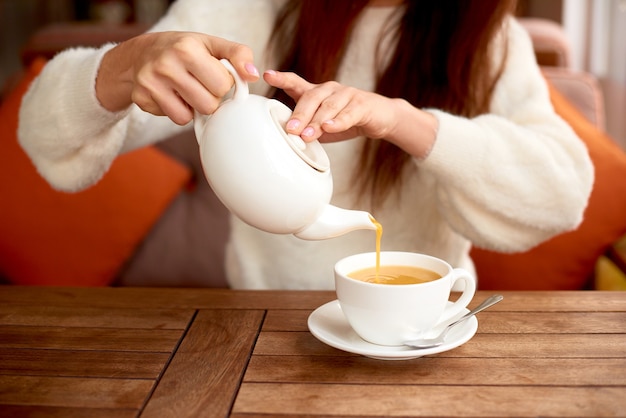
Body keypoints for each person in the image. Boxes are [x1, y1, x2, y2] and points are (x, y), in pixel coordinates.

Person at [18, 0, 594, 289]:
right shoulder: (252, 10)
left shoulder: (484, 37)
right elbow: (43, 136)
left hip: (429, 336)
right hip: (265, 333)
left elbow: (562, 193)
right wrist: (122, 67)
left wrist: (403, 123)